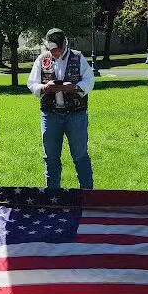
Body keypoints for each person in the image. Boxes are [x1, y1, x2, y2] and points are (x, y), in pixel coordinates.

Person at [27, 28, 95, 190]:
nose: (55, 53)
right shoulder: (42, 59)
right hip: (50, 115)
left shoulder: (78, 57)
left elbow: (90, 80)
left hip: (76, 114)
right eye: (52, 50)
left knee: (80, 156)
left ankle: (87, 196)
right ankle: (53, 197)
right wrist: (44, 88)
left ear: (65, 43)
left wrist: (75, 87)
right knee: (51, 158)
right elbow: (32, 83)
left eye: (58, 49)